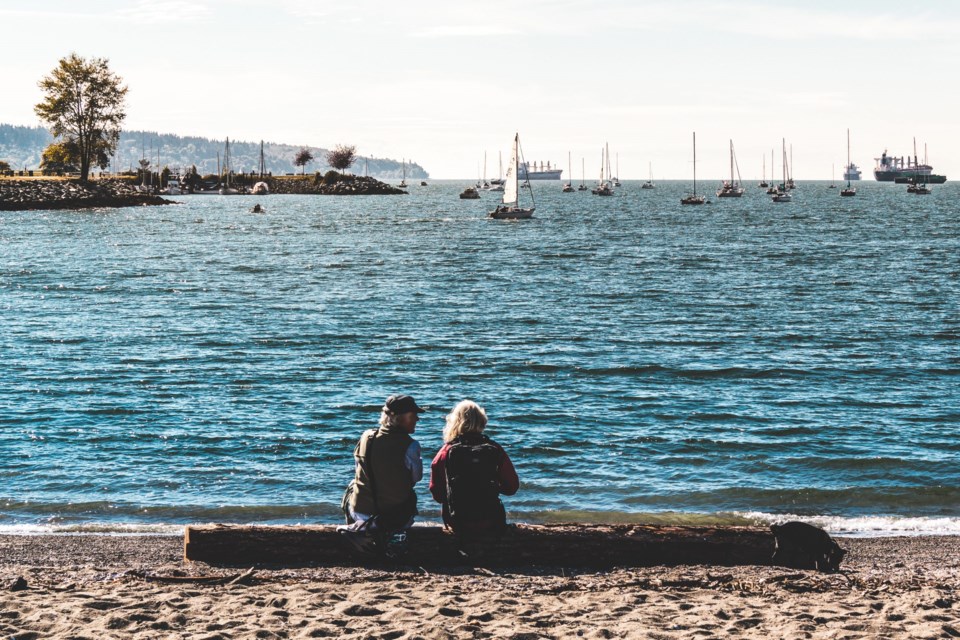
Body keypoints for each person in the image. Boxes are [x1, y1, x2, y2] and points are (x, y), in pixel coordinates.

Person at [339, 394, 424, 555]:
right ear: (399, 418)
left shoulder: (366, 437)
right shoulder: (410, 445)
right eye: (413, 416)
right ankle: (392, 535)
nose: (417, 419)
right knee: (410, 495)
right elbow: (416, 478)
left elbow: (359, 468)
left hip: (361, 512)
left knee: (352, 485)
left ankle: (359, 527)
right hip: (394, 518)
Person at [429, 400, 519, 539]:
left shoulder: (446, 451)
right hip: (491, 520)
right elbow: (512, 488)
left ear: (454, 423)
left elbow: (438, 496)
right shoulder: (494, 449)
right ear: (482, 422)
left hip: (457, 522)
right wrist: (490, 486)